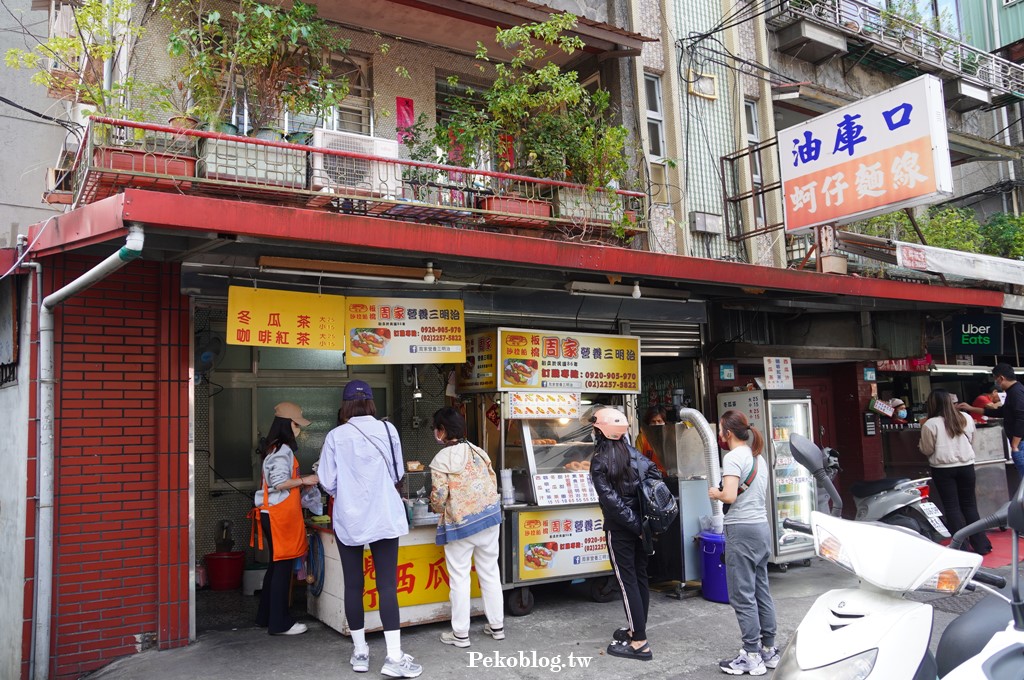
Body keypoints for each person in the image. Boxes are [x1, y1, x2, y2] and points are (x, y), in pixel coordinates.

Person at [316, 380, 422, 679]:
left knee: (353, 585)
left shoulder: (336, 436)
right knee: (387, 585)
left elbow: (326, 480)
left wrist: (350, 490)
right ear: (371, 403)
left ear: (345, 405)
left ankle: (360, 653)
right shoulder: (388, 430)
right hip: (384, 516)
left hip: (349, 518)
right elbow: (399, 472)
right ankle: (393, 657)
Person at [708, 409, 777, 676]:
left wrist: (716, 492)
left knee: (742, 595)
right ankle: (768, 650)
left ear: (727, 432)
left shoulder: (734, 457)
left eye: (720, 430)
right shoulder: (756, 456)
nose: (719, 435)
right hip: (761, 529)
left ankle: (751, 655)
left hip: (742, 530)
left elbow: (729, 496)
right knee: (761, 591)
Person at [428, 407, 504, 648]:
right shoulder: (479, 452)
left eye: (435, 429)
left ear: (441, 431)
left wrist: (437, 509)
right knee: (490, 572)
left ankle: (460, 634)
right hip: (490, 519)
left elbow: (439, 497)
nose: (435, 433)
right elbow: (492, 482)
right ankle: (497, 626)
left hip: (461, 525)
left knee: (460, 578)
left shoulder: (441, 459)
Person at [590, 407, 660, 661]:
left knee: (626, 580)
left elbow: (609, 501)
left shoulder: (600, 460)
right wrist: (641, 526)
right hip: (641, 527)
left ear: (600, 431)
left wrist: (632, 525)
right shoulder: (635, 455)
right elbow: (656, 479)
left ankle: (639, 643)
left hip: (621, 529)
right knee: (639, 577)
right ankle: (636, 629)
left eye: (595, 428)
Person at [251, 402, 318, 636]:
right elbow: (278, 483)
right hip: (279, 515)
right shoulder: (283, 451)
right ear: (288, 425)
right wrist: (305, 480)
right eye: (297, 424)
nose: (299, 429)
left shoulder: (273, 448)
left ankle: (265, 616)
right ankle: (280, 623)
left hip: (273, 513)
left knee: (276, 566)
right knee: (282, 567)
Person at [920, 389, 992, 555]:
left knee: (952, 508)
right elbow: (973, 440)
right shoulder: (966, 418)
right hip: (967, 467)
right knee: (970, 506)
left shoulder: (930, 424)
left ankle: (961, 547)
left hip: (943, 470)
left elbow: (927, 449)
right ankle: (982, 545)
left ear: (933, 404)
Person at [962, 363, 1024, 476]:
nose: (996, 383)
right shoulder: (1013, 391)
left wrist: (1015, 444)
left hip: (1021, 444)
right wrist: (971, 408)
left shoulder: (1016, 392)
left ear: (1001, 378)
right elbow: (1000, 412)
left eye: (996, 379)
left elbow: (1021, 418)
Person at [634, 405, 668, 475]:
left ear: (665, 422)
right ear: (648, 423)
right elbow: (638, 459)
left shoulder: (671, 436)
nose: (656, 424)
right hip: (650, 477)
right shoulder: (642, 437)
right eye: (653, 421)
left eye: (659, 421)